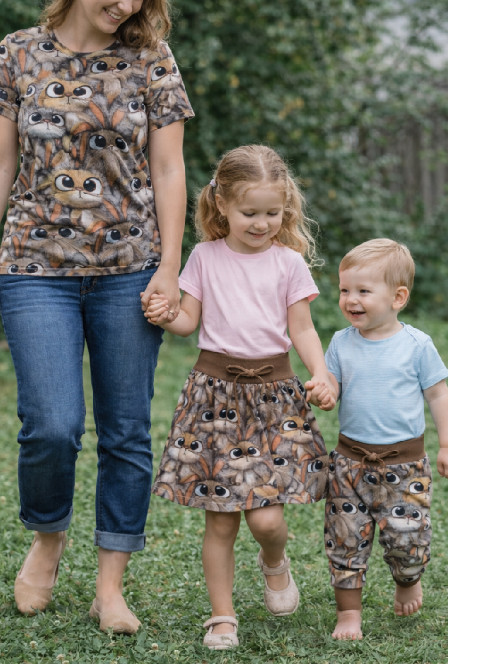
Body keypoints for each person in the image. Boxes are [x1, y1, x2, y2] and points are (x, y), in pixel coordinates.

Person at [0, 0, 195, 635]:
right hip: (35, 266)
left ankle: (110, 584)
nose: (127, 5)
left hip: (130, 270)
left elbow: (169, 168)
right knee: (52, 425)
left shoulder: (151, 59)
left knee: (126, 432)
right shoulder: (18, 53)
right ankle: (47, 539)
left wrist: (170, 266)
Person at [142, 144, 338, 651]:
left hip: (275, 399)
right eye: (250, 212)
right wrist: (167, 314)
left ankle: (274, 561)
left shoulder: (289, 263)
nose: (261, 223)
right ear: (223, 204)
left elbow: (302, 328)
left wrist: (320, 373)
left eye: (272, 213)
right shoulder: (205, 257)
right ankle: (222, 616)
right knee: (221, 519)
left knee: (267, 519)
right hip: (214, 400)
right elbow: (188, 321)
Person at [320, 238, 448, 640]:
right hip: (349, 465)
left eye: (363, 291)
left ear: (398, 297)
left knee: (407, 541)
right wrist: (325, 392)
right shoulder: (341, 343)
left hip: (404, 467)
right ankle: (348, 614)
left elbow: (439, 395)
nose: (350, 299)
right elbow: (334, 386)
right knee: (344, 540)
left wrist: (448, 444)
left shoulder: (417, 346)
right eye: (345, 290)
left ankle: (408, 580)